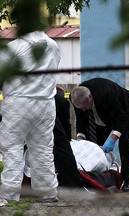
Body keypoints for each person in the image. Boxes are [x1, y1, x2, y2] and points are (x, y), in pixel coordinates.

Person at [0, 30, 61, 206]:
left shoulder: (13, 47)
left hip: (18, 104)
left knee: (13, 148)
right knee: (43, 149)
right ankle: (47, 192)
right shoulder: (53, 45)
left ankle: (10, 195)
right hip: (46, 104)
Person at [70, 78, 129, 192]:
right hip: (99, 115)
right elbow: (81, 119)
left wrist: (113, 138)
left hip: (122, 112)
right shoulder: (76, 98)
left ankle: (128, 181)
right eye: (80, 107)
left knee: (124, 143)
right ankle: (98, 179)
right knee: (95, 147)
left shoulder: (106, 94)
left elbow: (122, 119)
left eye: (84, 106)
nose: (83, 110)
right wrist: (81, 139)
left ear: (90, 98)